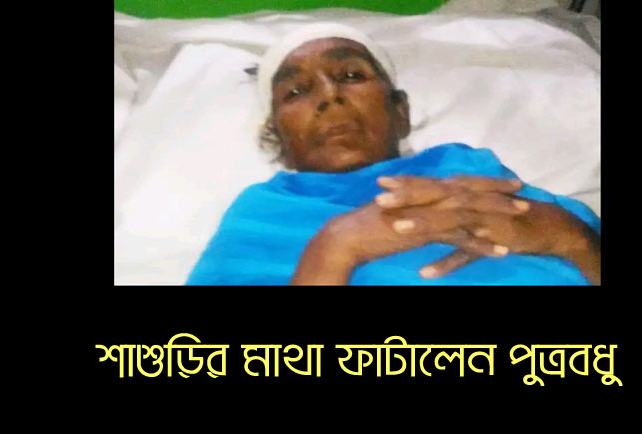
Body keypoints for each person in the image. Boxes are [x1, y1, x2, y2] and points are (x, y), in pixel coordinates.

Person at [186, 23, 600, 286]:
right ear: (280, 141)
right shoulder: (263, 214)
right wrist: (335, 248)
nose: (330, 95)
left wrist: (574, 238)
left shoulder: (468, 167)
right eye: (296, 92)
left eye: (351, 75)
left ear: (399, 112)